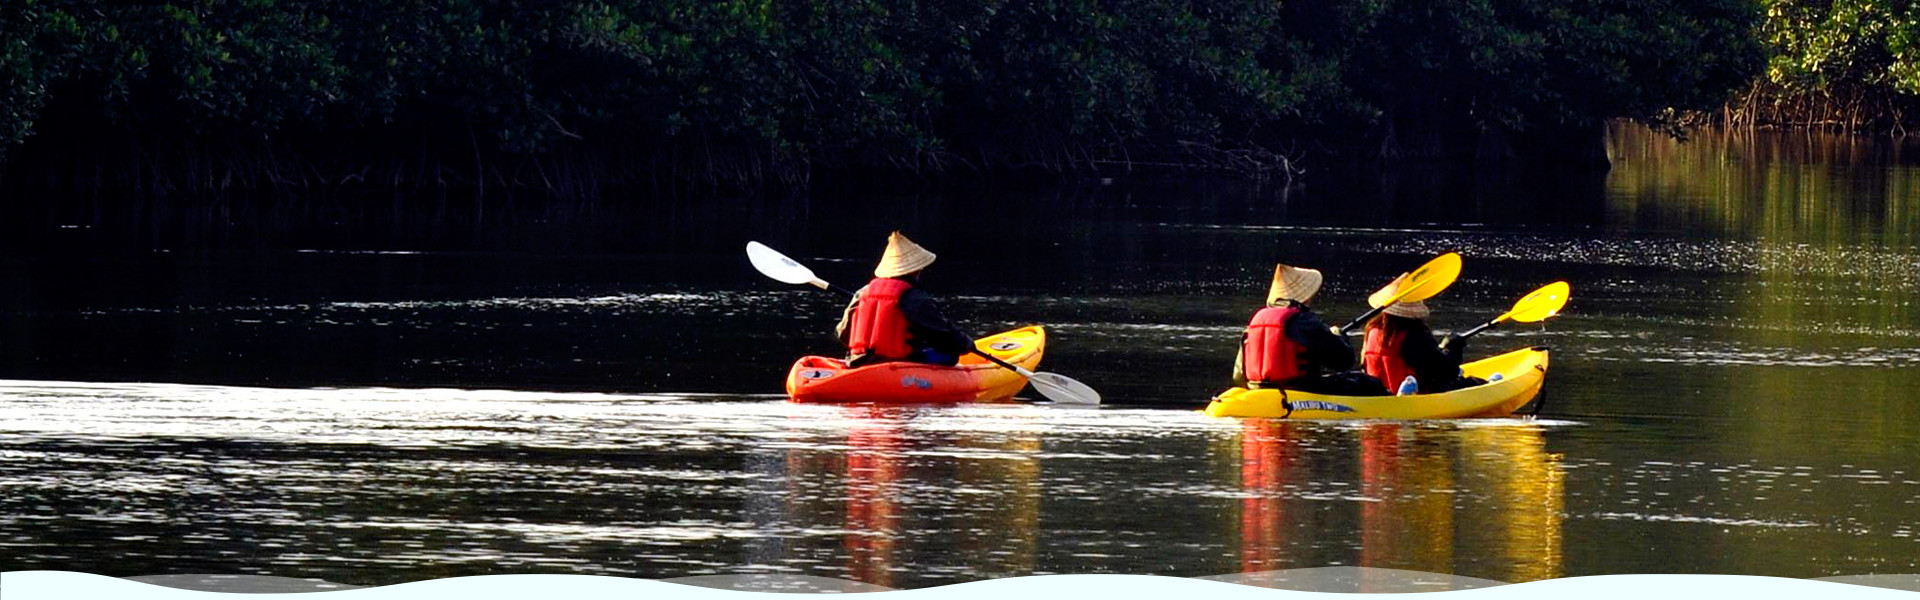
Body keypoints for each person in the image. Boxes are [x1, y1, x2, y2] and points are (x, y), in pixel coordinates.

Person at [1233, 263, 1385, 395]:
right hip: (1300, 388)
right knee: (1369, 383)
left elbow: (1238, 376)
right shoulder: (1304, 321)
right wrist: (1339, 336)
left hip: (1256, 388)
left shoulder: (1256, 320)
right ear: (1305, 296)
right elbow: (1343, 361)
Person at [835, 232, 975, 367]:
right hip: (900, 363)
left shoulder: (863, 292)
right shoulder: (914, 298)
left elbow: (841, 333)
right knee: (950, 356)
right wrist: (966, 343)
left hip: (858, 361)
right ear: (916, 271)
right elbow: (943, 335)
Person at [1360, 301, 1476, 394]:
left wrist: (1440, 352)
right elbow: (1447, 373)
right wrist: (1453, 348)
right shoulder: (1415, 335)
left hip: (1381, 394)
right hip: (1419, 398)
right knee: (1474, 382)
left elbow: (1363, 366)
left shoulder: (1372, 330)